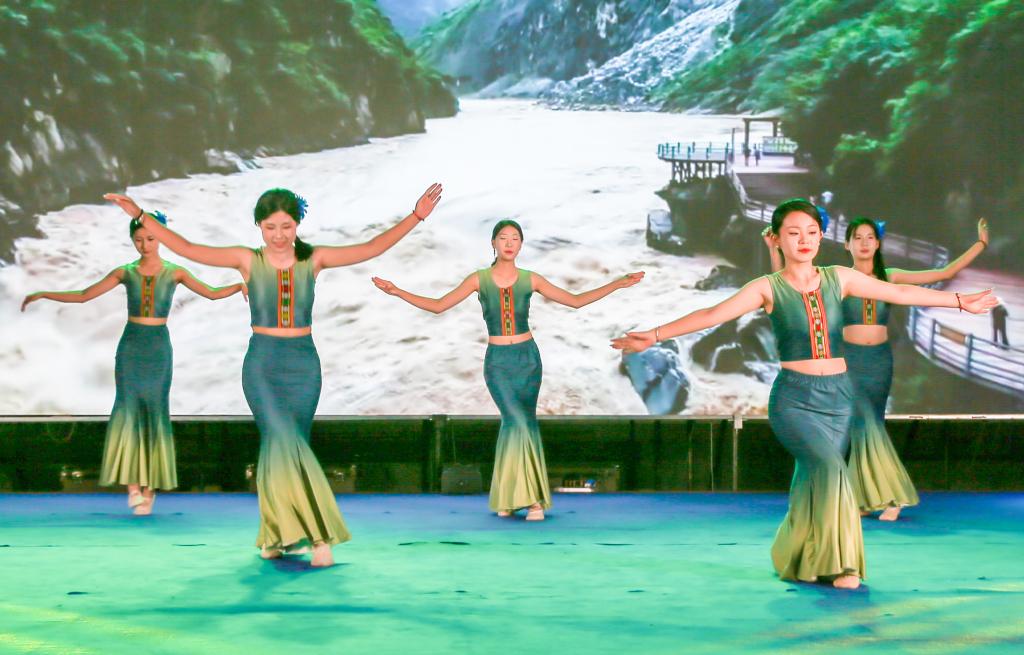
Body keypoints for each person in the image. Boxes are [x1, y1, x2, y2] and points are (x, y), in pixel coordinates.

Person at [613, 199, 996, 589]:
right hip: (794, 400)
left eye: (812, 232)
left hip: (839, 397)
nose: (804, 240)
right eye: (794, 233)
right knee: (832, 470)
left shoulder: (839, 277)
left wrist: (959, 301)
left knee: (812, 479)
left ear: (821, 236)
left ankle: (799, 556)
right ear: (778, 239)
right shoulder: (767, 287)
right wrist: (654, 336)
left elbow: (897, 293)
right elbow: (712, 315)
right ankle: (843, 565)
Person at [104, 184, 442, 565]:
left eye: (286, 226)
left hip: (304, 367)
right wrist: (140, 215)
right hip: (262, 365)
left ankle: (275, 536)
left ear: (297, 224)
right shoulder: (246, 259)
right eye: (270, 227)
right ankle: (317, 537)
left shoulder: (314, 258)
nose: (279, 235)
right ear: (259, 227)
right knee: (283, 439)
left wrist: (416, 216)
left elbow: (372, 247)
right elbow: (187, 248)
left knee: (282, 446)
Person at [372, 219, 643, 521]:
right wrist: (398, 292)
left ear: (521, 244)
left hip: (528, 360)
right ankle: (533, 500)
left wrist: (617, 283)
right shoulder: (479, 279)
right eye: (503, 238)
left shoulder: (531, 279)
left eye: (515, 238)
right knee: (518, 423)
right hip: (498, 363)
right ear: (493, 243)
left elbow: (576, 301)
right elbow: (438, 305)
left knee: (521, 424)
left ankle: (508, 498)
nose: (509, 243)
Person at [766, 217, 989, 520]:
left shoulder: (890, 276)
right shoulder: (837, 279)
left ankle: (868, 499)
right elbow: (786, 289)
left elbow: (945, 272)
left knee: (869, 425)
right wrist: (775, 249)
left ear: (878, 243)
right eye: (857, 238)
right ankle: (890, 496)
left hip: (879, 362)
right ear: (847, 244)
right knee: (864, 423)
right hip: (848, 362)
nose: (864, 243)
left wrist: (981, 244)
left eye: (870, 237)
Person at [22, 213, 246, 515]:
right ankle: (132, 488)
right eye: (139, 240)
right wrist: (44, 293)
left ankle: (149, 488)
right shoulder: (125, 272)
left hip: (158, 348)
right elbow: (85, 295)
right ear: (132, 240)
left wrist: (239, 286)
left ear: (161, 238)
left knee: (154, 412)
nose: (145, 245)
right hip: (131, 347)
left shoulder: (175, 272)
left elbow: (212, 294)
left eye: (151, 239)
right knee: (127, 411)